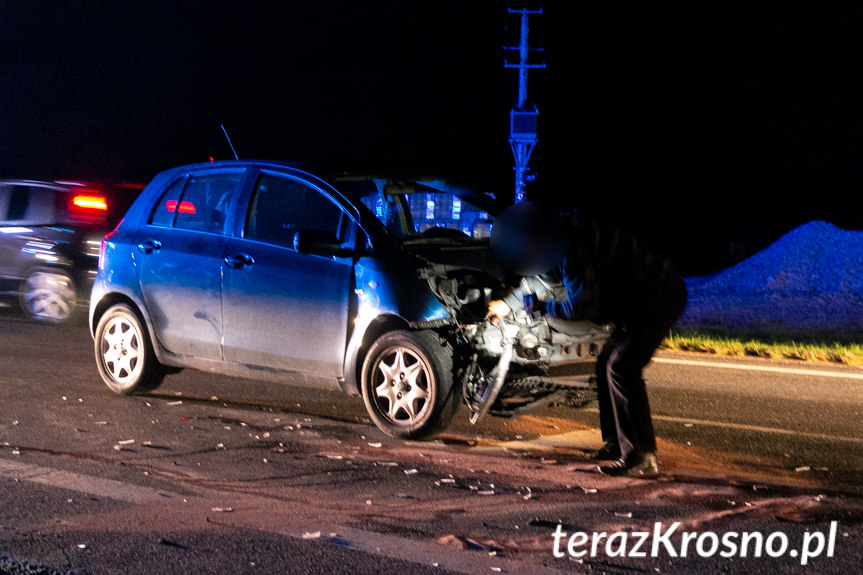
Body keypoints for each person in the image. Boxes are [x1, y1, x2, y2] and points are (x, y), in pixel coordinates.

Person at [487, 203, 687, 478]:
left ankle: (642, 457)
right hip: (639, 299)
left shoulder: (573, 250)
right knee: (608, 362)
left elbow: (582, 307)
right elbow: (536, 279)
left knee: (622, 367)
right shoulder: (560, 235)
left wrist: (543, 310)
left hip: (658, 297)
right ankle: (617, 444)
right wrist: (509, 304)